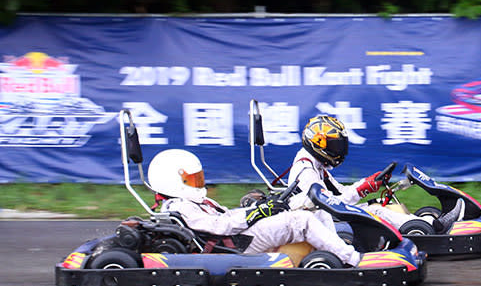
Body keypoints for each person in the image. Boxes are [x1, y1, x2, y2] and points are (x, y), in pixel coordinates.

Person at [147, 148, 361, 267]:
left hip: (238, 235)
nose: (198, 183)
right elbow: (220, 226)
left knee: (311, 209)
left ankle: (335, 252)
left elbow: (227, 215)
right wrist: (257, 213)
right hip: (235, 243)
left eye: (198, 178)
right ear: (170, 181)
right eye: (192, 180)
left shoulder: (193, 201)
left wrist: (261, 207)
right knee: (302, 220)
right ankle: (353, 261)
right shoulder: (180, 206)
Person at [286, 115, 464, 234]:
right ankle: (432, 227)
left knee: (380, 205)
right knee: (375, 210)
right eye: (334, 145)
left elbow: (338, 192)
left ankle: (425, 221)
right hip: (319, 224)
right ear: (319, 144)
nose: (338, 150)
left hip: (324, 216)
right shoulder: (306, 170)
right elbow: (330, 204)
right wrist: (363, 189)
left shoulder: (314, 163)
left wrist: (368, 184)